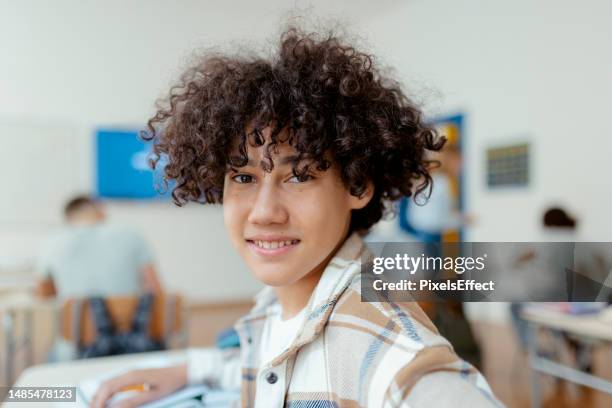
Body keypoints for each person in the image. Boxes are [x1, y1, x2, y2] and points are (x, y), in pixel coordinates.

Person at [92, 28, 501, 407]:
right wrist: (190, 370)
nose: (265, 211)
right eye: (244, 176)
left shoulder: (380, 339)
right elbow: (275, 363)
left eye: (300, 175)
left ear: (357, 185)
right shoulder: (280, 305)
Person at [35, 195, 162, 298]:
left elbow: (43, 295)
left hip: (75, 325)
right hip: (127, 324)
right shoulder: (131, 234)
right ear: (101, 212)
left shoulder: (53, 242)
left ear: (68, 219)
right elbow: (154, 289)